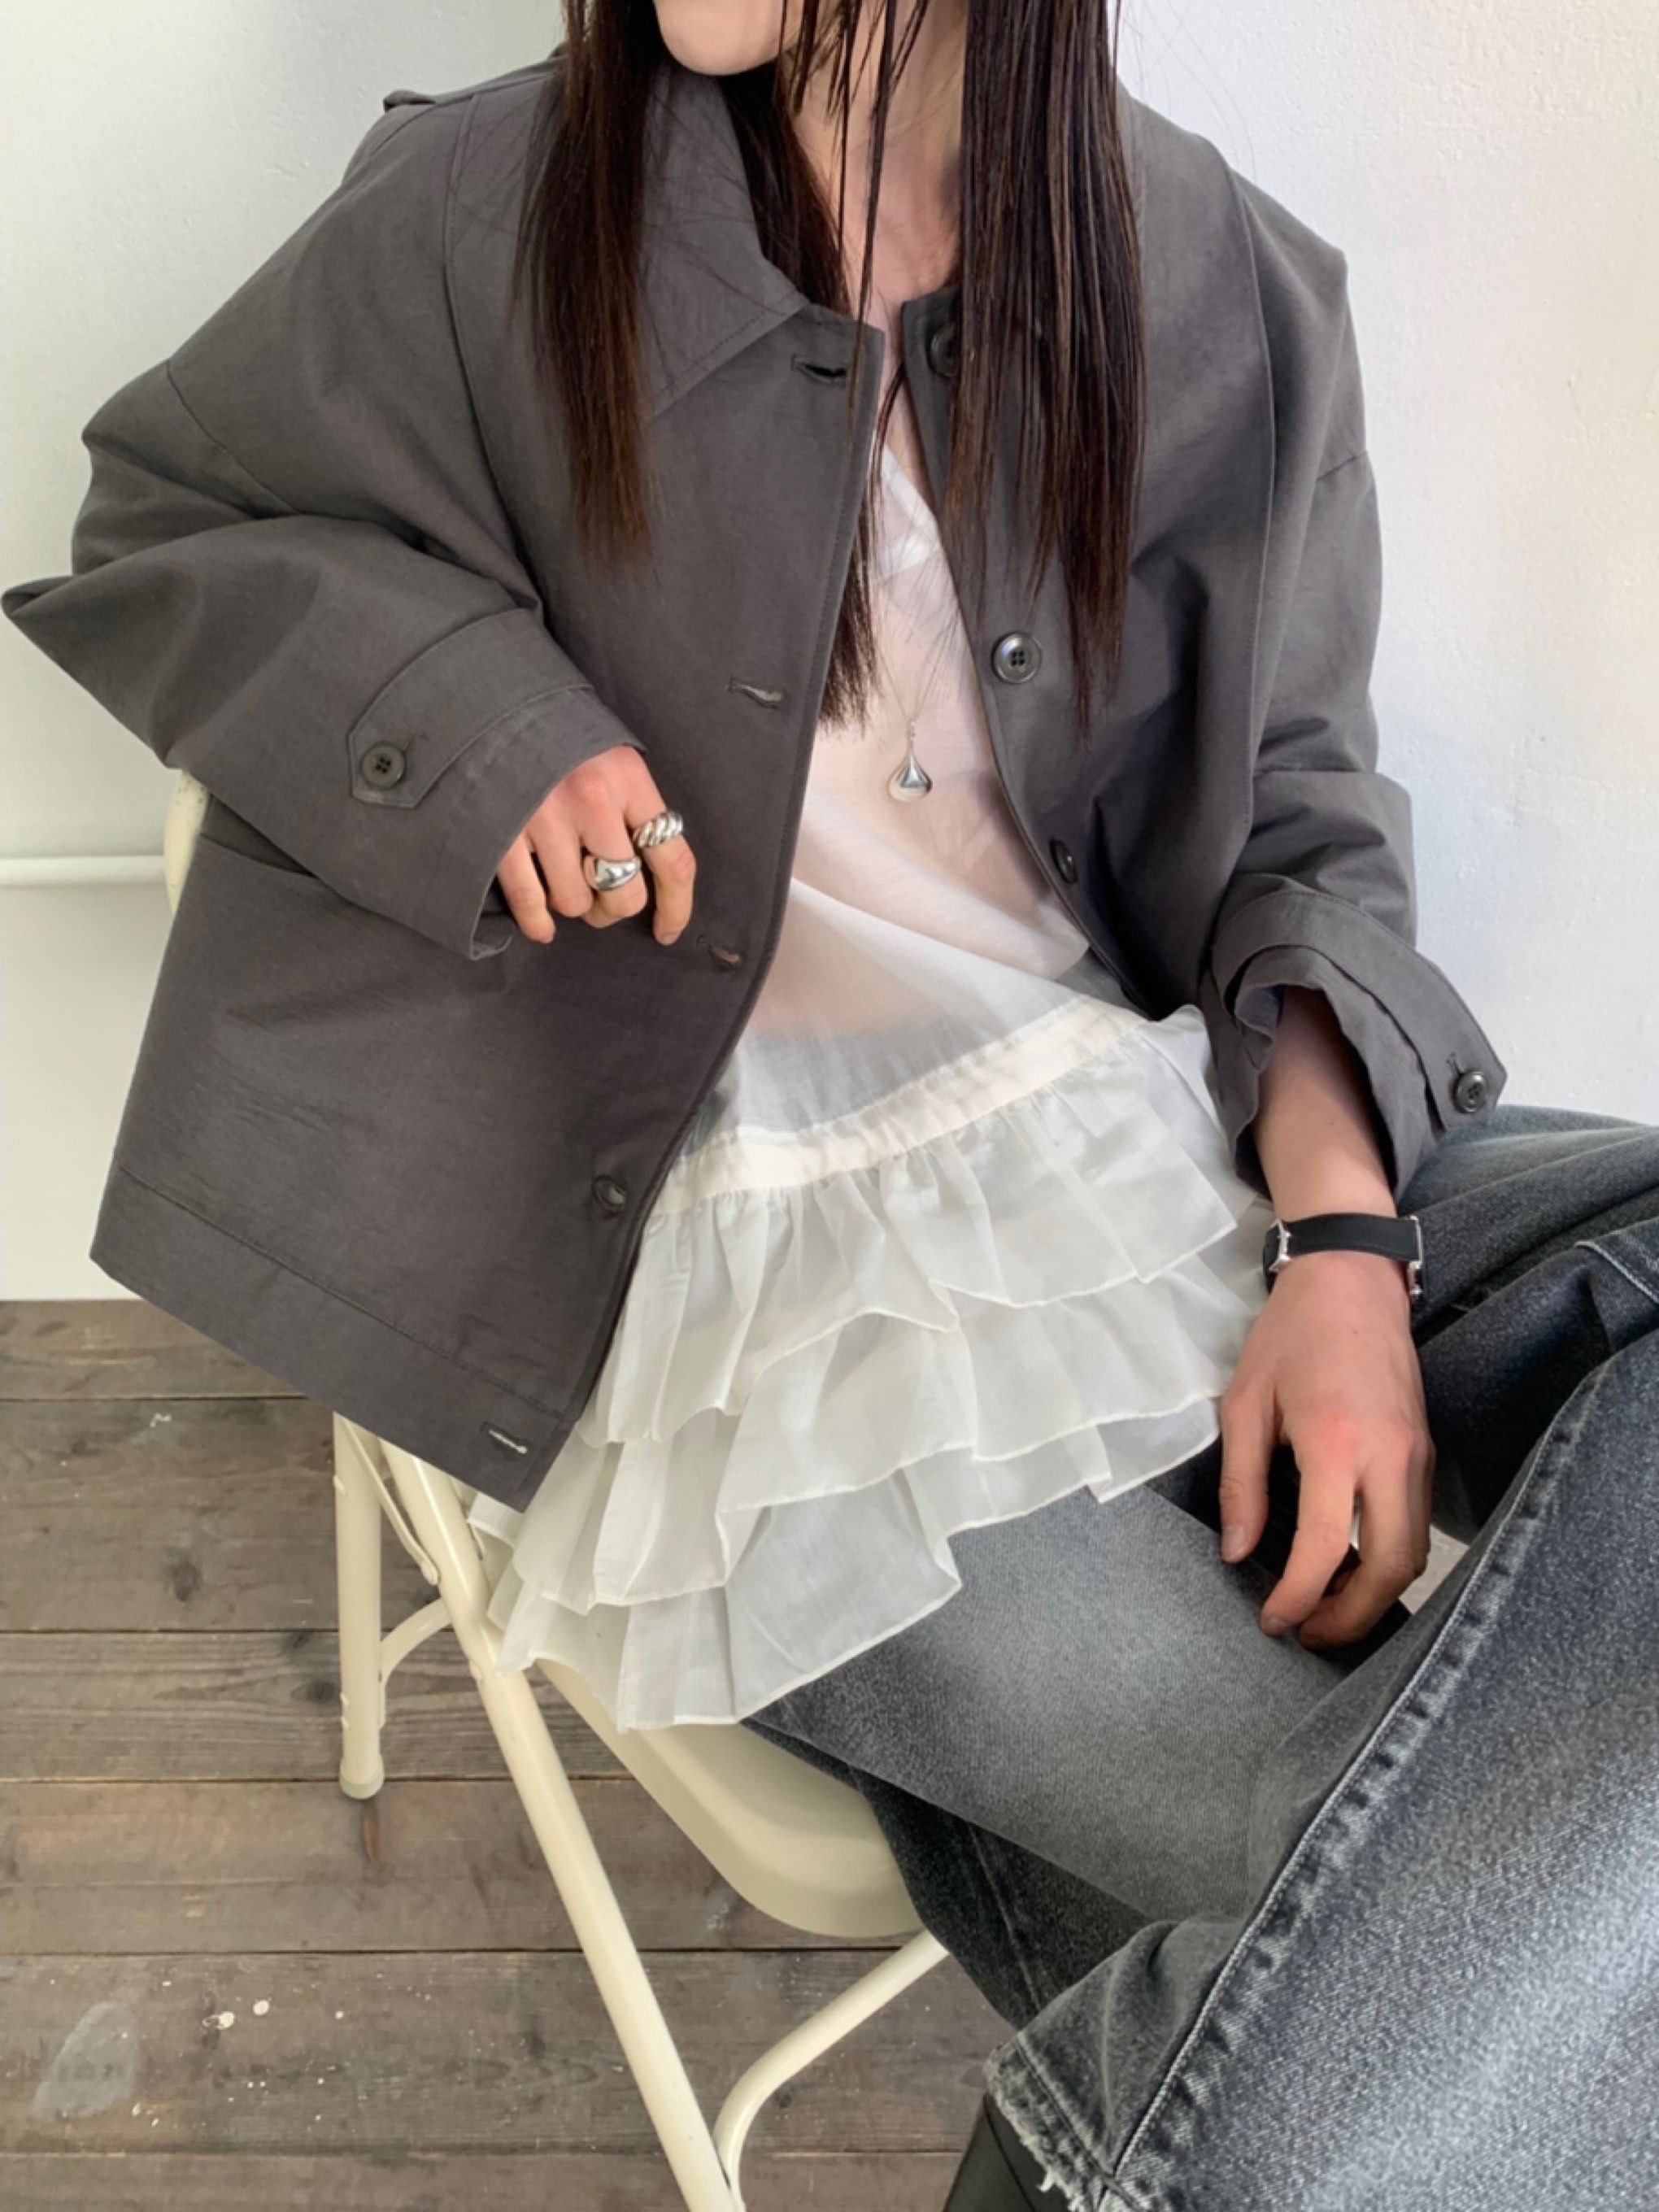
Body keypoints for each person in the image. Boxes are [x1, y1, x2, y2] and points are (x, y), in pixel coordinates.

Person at [7, 5, 1654, 2205]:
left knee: (1459, 1953)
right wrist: (473, 721)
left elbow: (1298, 816)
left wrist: (1344, 1251)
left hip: (1170, 1120)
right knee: (1423, 1937)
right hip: (762, 1286)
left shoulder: (1223, 280)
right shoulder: (491, 209)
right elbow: (172, 505)